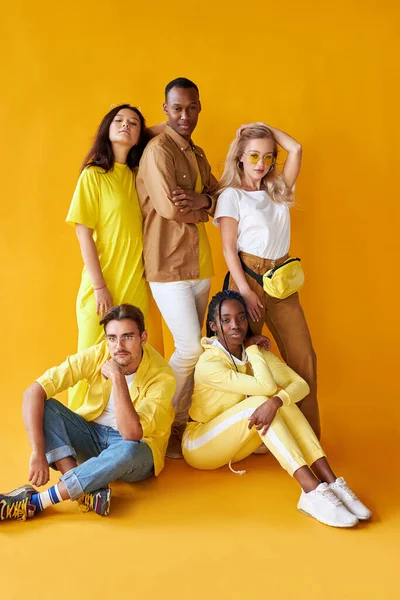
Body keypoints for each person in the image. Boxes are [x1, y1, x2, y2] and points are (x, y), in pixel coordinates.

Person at [182, 291, 371, 528]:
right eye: (226, 320)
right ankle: (310, 490)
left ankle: (331, 481)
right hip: (200, 444)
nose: (235, 325)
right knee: (263, 400)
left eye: (241, 318)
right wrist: (253, 351)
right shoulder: (209, 364)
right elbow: (266, 387)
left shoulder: (253, 351)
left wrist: (278, 401)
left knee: (279, 402)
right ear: (213, 326)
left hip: (236, 444)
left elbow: (300, 385)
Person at [0, 304, 175, 522]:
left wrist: (118, 377)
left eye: (128, 337)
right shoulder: (99, 354)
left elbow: (131, 434)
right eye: (112, 338)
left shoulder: (162, 376)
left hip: (135, 451)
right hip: (92, 436)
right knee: (46, 405)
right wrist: (38, 451)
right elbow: (33, 392)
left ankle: (37, 502)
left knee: (129, 448)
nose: (118, 346)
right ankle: (85, 491)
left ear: (143, 337)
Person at [214, 123, 320, 438]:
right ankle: (249, 437)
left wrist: (261, 126)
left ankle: (309, 437)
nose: (261, 163)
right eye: (253, 156)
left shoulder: (279, 190)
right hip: (246, 276)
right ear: (240, 157)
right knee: (244, 360)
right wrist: (246, 292)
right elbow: (228, 249)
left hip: (281, 279)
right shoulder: (231, 196)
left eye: (268, 156)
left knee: (303, 358)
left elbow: (296, 149)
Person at [137, 77, 218, 458]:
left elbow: (219, 195)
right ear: (166, 109)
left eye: (191, 108)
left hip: (199, 263)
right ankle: (155, 421)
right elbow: (171, 208)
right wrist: (204, 208)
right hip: (166, 263)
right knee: (188, 347)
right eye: (177, 108)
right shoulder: (158, 151)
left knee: (196, 350)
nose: (185, 115)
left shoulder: (197, 153)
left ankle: (179, 426)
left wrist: (202, 200)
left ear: (199, 108)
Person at [66, 104, 150, 411]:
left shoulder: (139, 176)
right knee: (90, 359)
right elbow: (83, 233)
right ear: (107, 128)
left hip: (135, 283)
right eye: (119, 120)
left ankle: (125, 427)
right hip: (101, 286)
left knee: (135, 361)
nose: (126, 125)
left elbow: (166, 128)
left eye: (134, 123)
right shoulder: (94, 176)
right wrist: (100, 286)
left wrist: (148, 130)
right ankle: (76, 426)